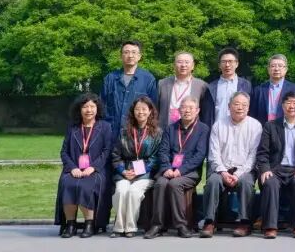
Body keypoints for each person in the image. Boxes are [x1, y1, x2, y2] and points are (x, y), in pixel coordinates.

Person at [255, 89, 295, 239]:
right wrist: (265, 169)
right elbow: (262, 153)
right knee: (270, 183)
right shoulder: (270, 126)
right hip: (275, 169)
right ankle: (270, 227)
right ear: (282, 106)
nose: (292, 106)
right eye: (288, 103)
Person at [144, 96, 209, 239]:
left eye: (191, 108)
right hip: (168, 170)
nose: (187, 111)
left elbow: (199, 155)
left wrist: (181, 170)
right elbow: (163, 151)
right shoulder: (170, 128)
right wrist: (167, 168)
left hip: (189, 171)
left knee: (175, 184)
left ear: (197, 110)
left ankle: (181, 225)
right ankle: (157, 225)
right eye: (184, 107)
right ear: (179, 110)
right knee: (160, 183)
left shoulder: (203, 129)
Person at [199, 91, 261, 238]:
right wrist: (223, 172)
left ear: (248, 107)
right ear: (229, 106)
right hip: (222, 168)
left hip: (244, 170)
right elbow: (214, 154)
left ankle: (244, 222)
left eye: (244, 105)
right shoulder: (218, 125)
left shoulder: (255, 126)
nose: (240, 108)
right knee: (213, 182)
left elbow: (253, 157)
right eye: (236, 104)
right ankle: (210, 221)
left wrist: (238, 174)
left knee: (246, 182)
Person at [56, 93, 114, 238]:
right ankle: (70, 224)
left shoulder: (105, 127)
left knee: (86, 185)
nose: (89, 110)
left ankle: (90, 223)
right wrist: (72, 168)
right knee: (67, 183)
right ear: (79, 109)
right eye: (85, 107)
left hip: (97, 169)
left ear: (97, 108)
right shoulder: (73, 128)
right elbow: (64, 152)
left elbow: (107, 151)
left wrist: (93, 167)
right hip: (74, 168)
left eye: (92, 106)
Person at [110, 95, 161, 238]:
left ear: (150, 111)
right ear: (133, 111)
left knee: (133, 192)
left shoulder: (157, 133)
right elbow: (115, 155)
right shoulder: (124, 132)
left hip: (145, 174)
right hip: (125, 172)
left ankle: (130, 227)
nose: (141, 112)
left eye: (144, 109)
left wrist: (138, 171)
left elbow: (155, 158)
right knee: (121, 191)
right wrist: (123, 171)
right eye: (137, 109)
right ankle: (119, 227)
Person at [100, 40, 158, 133]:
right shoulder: (110, 78)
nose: (130, 55)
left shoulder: (148, 79)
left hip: (136, 133)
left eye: (134, 52)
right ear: (121, 56)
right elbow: (101, 105)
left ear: (139, 56)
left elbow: (153, 108)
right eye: (126, 52)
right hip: (112, 131)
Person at [157, 51, 214, 129]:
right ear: (174, 65)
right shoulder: (162, 84)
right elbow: (156, 108)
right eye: (180, 62)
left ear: (193, 66)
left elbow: (205, 112)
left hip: (191, 130)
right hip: (165, 129)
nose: (183, 65)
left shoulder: (201, 86)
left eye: (187, 62)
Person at [249, 53, 295, 126]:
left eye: (280, 66)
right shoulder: (259, 90)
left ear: (286, 69)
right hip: (263, 128)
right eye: (273, 66)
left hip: (285, 128)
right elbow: (253, 113)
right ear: (268, 69)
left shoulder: (294, 89)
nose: (276, 69)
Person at [207, 47, 251, 126]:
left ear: (236, 64)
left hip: (240, 128)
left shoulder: (246, 85)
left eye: (230, 61)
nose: (227, 65)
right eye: (224, 62)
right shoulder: (211, 87)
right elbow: (207, 113)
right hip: (217, 128)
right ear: (219, 65)